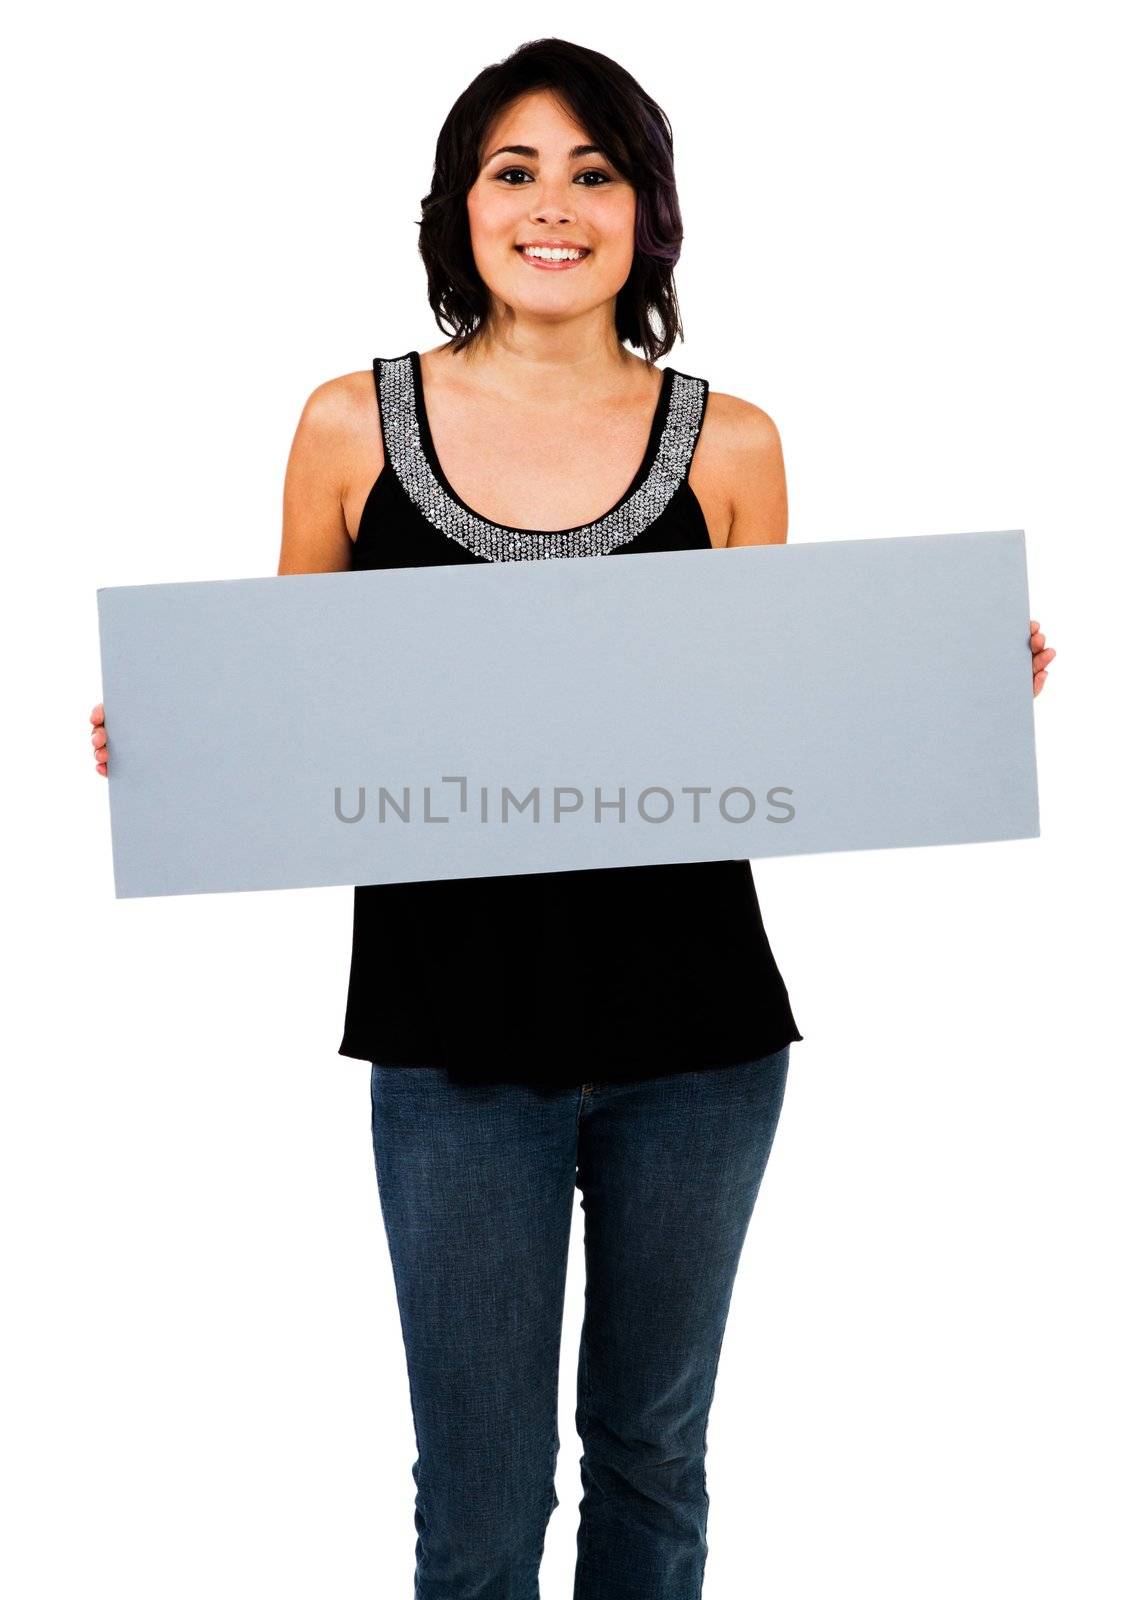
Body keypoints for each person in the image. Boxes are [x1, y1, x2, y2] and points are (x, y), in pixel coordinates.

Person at [88, 36, 1057, 1599]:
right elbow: (289, 717)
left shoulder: (730, 442)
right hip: (453, 1044)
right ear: (459, 208)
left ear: (644, 211)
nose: (553, 206)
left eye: (592, 172)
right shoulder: (350, 423)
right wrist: (180, 745)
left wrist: (939, 699)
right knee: (476, 1502)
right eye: (513, 170)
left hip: (701, 1041)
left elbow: (774, 734)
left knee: (652, 1463)